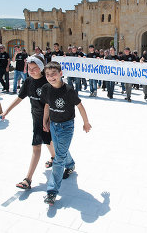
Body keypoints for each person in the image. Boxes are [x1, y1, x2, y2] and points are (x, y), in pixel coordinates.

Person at [1, 55, 55, 190]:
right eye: (29, 68)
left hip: (49, 119)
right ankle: (29, 179)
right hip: (36, 118)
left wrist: (46, 121)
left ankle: (63, 161)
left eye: (34, 68)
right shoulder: (28, 82)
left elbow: (50, 104)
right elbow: (19, 98)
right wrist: (6, 111)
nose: (31, 71)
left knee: (50, 142)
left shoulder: (47, 82)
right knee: (39, 144)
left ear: (41, 68)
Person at [41, 61, 92, 205]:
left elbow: (80, 106)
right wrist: (45, 121)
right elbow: (47, 105)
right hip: (54, 125)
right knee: (61, 151)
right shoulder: (46, 88)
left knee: (58, 158)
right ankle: (70, 165)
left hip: (66, 127)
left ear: (61, 74)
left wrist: (86, 122)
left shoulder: (68, 90)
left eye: (54, 74)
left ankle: (51, 192)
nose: (51, 77)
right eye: (48, 75)